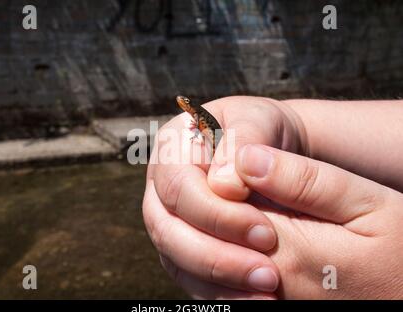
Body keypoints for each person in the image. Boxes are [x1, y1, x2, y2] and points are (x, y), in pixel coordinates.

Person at [142, 96, 403, 299]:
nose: (182, 103)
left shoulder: (202, 119)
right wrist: (296, 123)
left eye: (186, 102)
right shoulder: (203, 121)